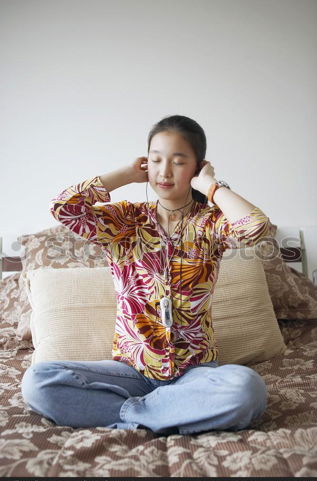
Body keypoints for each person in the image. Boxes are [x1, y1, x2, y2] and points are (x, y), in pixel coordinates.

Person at [21, 114, 274, 435]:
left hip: (194, 373)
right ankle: (165, 411)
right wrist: (126, 174)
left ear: (197, 168)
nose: (165, 171)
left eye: (179, 161)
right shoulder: (126, 219)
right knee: (37, 382)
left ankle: (130, 413)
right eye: (156, 160)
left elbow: (256, 227)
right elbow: (64, 207)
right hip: (131, 372)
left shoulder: (210, 223)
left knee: (247, 388)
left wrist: (211, 185)